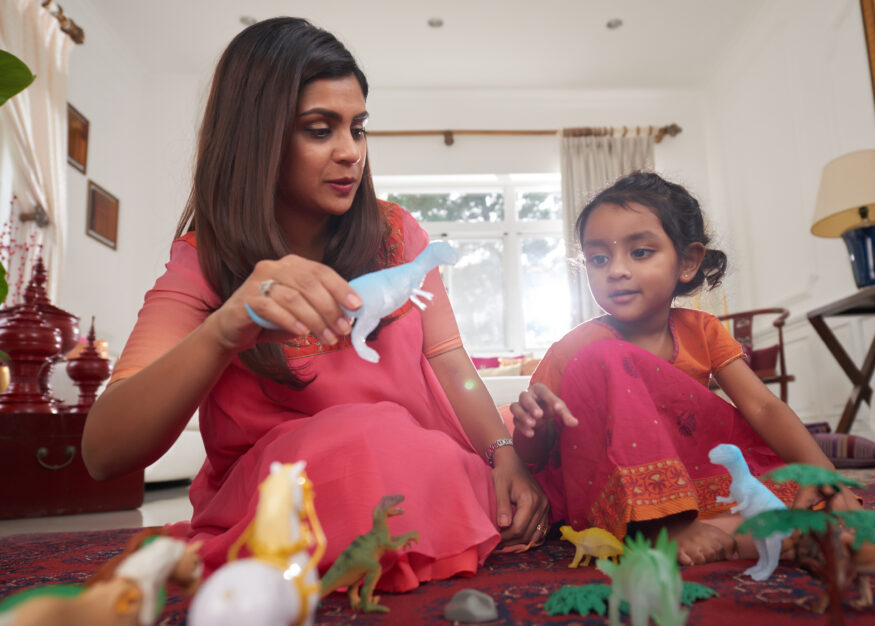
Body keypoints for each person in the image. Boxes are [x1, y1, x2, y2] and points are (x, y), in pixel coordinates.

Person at [81, 17, 548, 593]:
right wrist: (225, 329)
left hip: (424, 464)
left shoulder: (398, 234)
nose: (351, 152)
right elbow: (104, 452)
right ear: (258, 138)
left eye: (359, 127)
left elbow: (452, 366)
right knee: (361, 439)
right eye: (320, 130)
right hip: (289, 489)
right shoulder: (205, 261)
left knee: (558, 432)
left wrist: (503, 454)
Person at [509, 171, 857, 566]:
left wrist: (822, 471)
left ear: (688, 262)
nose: (616, 270)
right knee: (605, 357)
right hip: (605, 487)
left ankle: (747, 533)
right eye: (598, 258)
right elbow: (534, 456)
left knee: (812, 496)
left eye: (640, 252)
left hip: (689, 478)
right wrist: (535, 428)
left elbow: (762, 408)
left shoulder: (704, 331)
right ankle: (666, 530)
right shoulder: (575, 349)